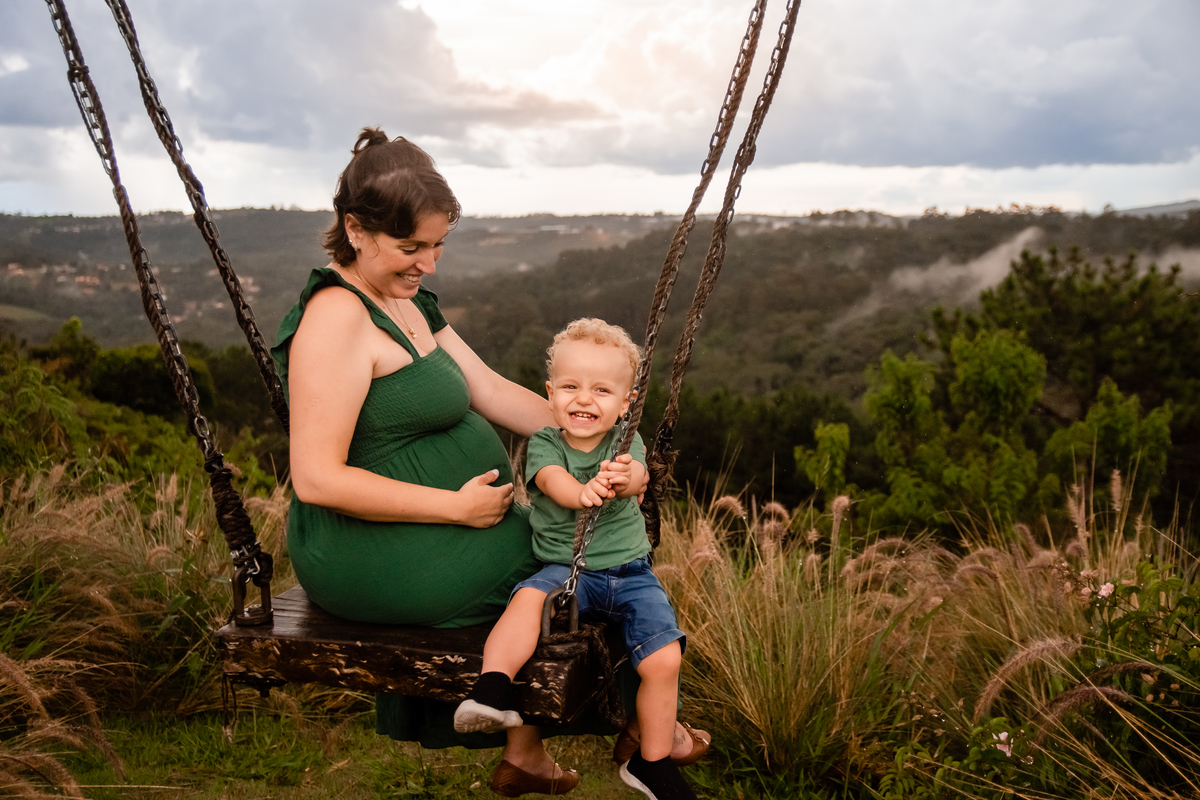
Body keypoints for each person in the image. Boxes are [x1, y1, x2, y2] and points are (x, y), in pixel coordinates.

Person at [274, 129, 704, 797]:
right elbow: (317, 479)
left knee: (577, 546)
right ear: (354, 230)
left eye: (438, 244)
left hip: (436, 527)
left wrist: (605, 436)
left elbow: (494, 391)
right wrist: (454, 506)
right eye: (411, 247)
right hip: (361, 545)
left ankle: (535, 751)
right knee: (571, 563)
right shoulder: (335, 317)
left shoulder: (408, 301)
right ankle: (647, 734)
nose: (430, 264)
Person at [454, 319, 703, 800]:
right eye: (570, 386)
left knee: (664, 658)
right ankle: (491, 689)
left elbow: (637, 480)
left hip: (632, 575)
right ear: (550, 393)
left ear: (625, 403)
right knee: (527, 600)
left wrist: (625, 478)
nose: (584, 399)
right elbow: (550, 481)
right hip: (566, 573)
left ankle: (651, 763)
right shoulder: (546, 441)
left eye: (601, 390)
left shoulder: (625, 443)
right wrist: (582, 491)